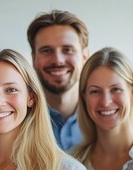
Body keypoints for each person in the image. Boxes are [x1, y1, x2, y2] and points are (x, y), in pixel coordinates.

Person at [27, 9, 89, 151]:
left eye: (67, 49)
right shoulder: (16, 120)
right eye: (46, 50)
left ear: (85, 56)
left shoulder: (105, 113)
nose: (58, 60)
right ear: (34, 59)